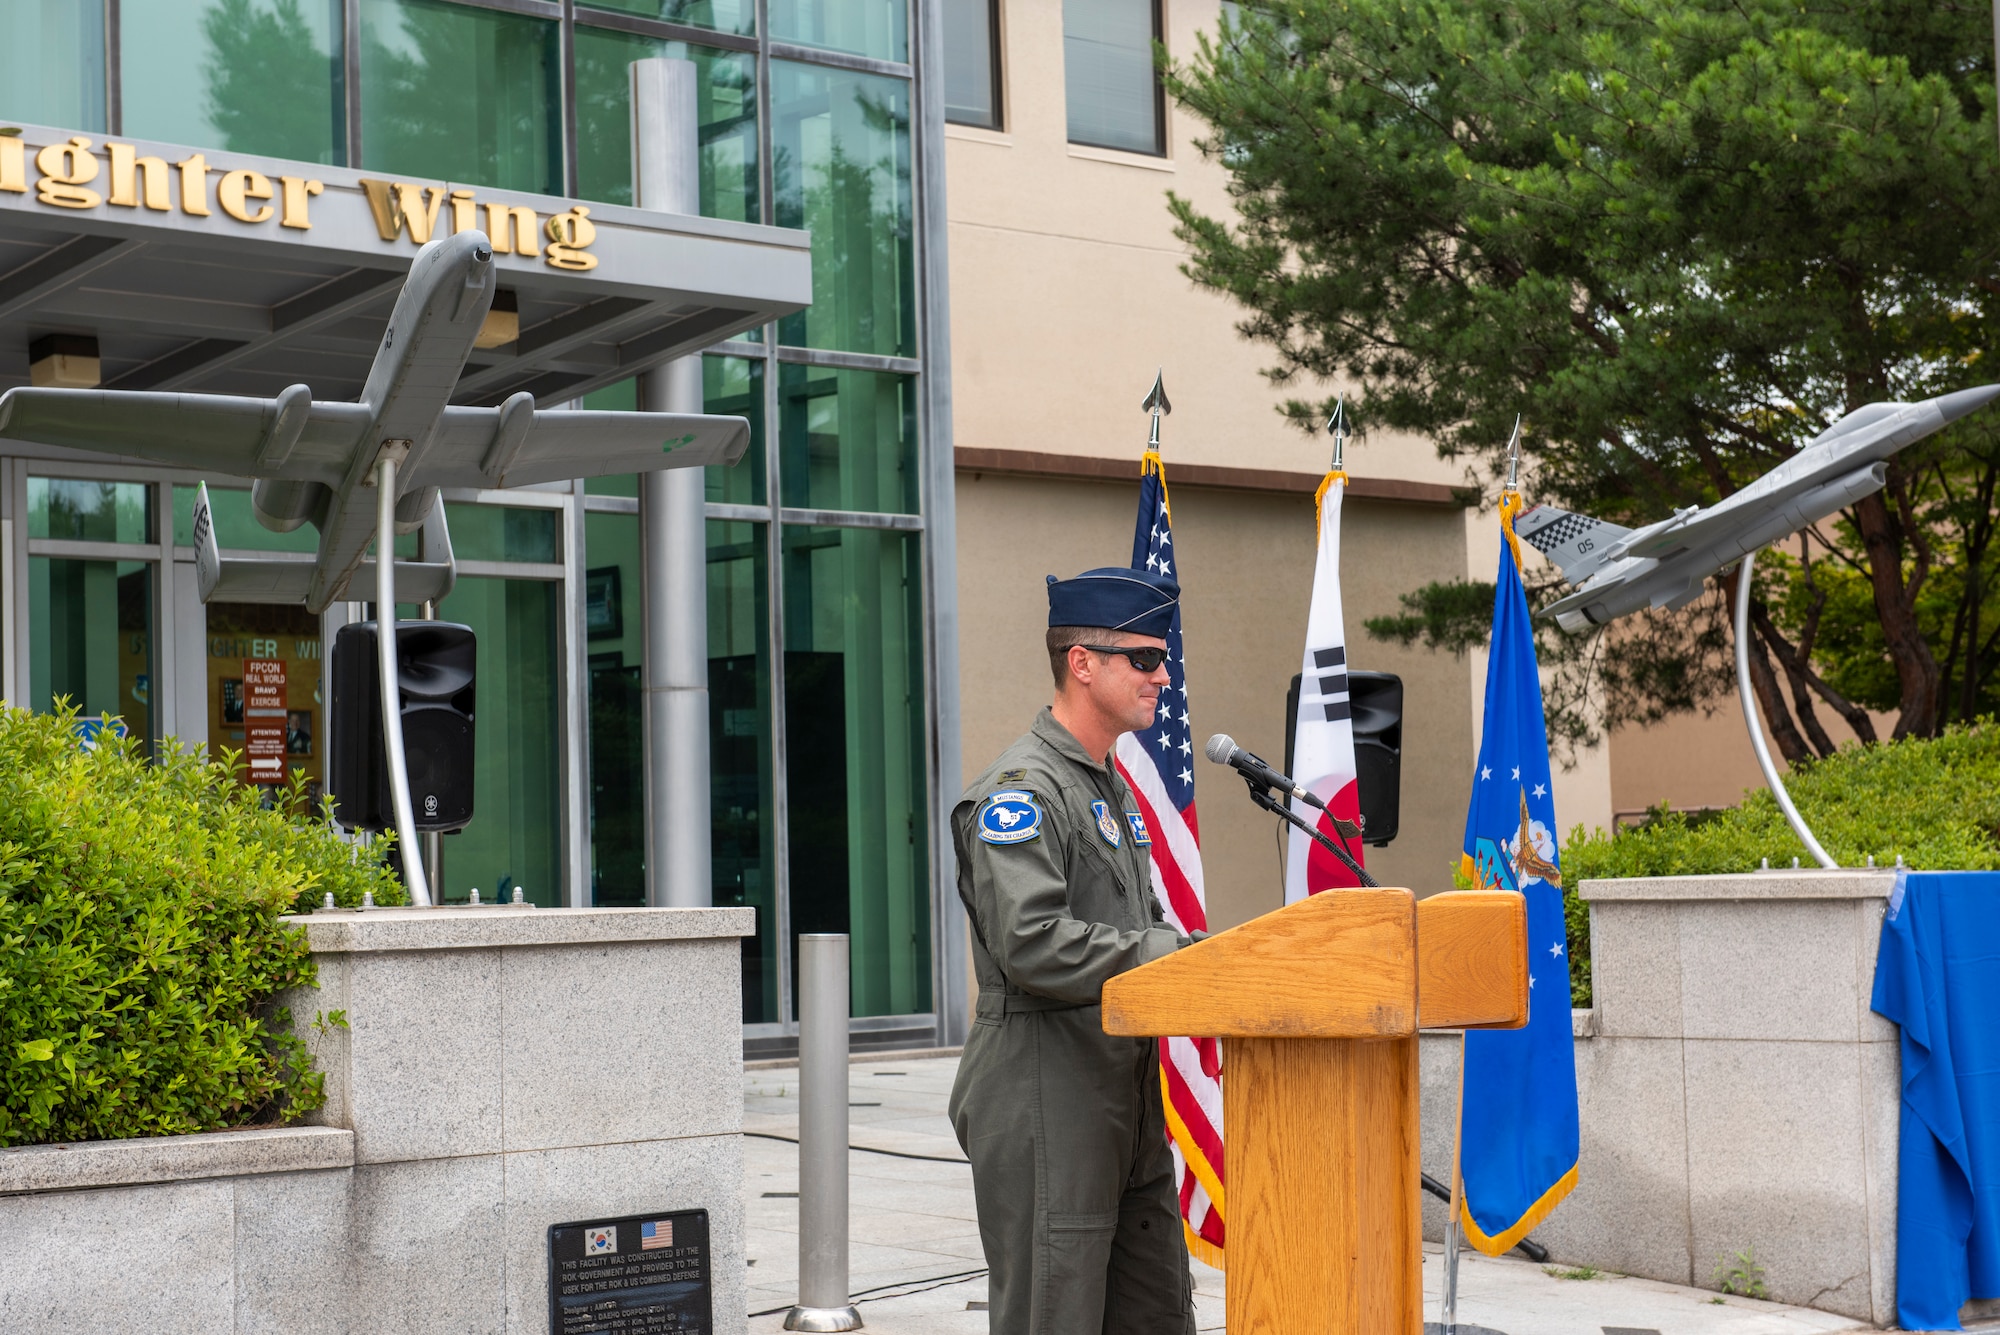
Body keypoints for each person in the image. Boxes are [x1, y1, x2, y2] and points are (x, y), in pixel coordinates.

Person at [948, 567, 1199, 1335]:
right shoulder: (1022, 790)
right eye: (1144, 659)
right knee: (1052, 1318)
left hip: (1119, 1092)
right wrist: (1171, 955)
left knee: (1155, 1313)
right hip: (1045, 1094)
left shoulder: (1109, 787)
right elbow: (1031, 941)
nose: (1163, 676)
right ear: (1082, 663)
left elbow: (1134, 919)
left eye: (1163, 660)